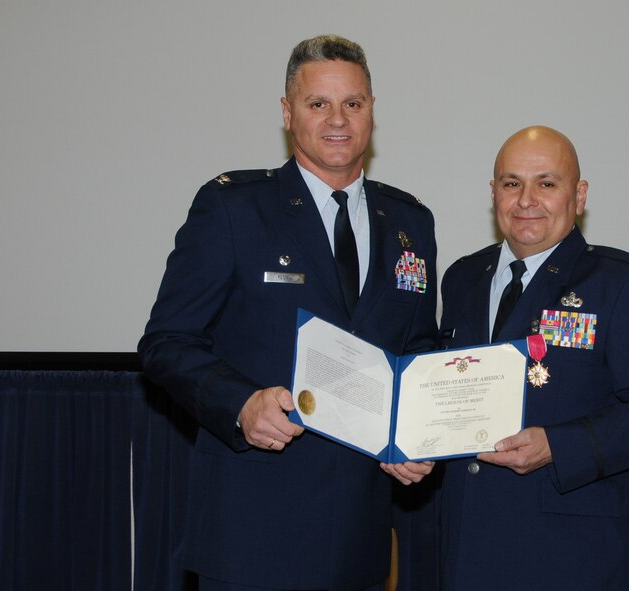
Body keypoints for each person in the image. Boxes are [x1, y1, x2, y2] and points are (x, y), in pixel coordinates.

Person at [138, 35, 437, 591]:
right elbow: (166, 342)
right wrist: (241, 404)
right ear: (286, 112)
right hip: (253, 530)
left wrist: (419, 434)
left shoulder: (411, 222)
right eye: (317, 103)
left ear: (373, 108)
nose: (337, 120)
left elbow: (417, 348)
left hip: (360, 533)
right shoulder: (233, 207)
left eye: (353, 102)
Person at [437, 126, 629, 590]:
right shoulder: (462, 277)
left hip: (569, 554)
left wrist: (560, 446)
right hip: (468, 545)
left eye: (547, 183)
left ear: (578, 196)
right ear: (493, 192)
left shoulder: (620, 283)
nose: (526, 200)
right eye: (512, 183)